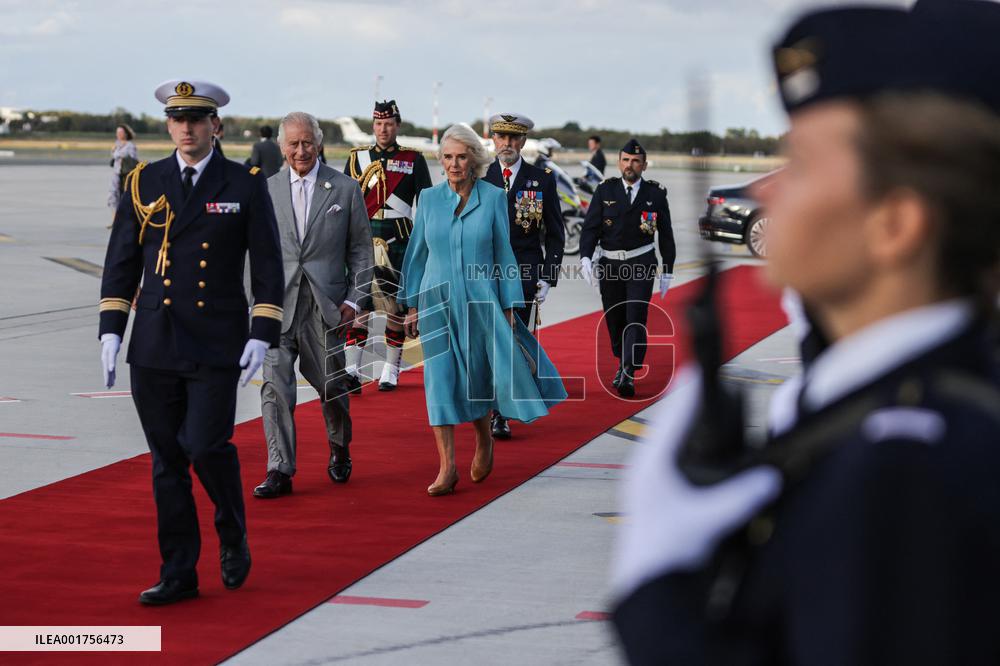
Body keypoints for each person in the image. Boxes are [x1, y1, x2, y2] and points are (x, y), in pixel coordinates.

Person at [611, 3, 1000, 664]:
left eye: (803, 164)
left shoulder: (903, 470)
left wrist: (656, 592)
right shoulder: (895, 407)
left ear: (895, 225)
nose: (771, 194)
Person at [98, 80, 285, 605]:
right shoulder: (144, 180)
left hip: (215, 341)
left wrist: (262, 332)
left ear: (215, 126)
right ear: (168, 125)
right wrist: (111, 328)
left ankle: (231, 528)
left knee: (205, 446)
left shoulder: (243, 183)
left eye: (197, 119)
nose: (186, 128)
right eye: (177, 119)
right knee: (167, 461)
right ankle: (179, 571)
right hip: (155, 342)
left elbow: (268, 268)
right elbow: (121, 260)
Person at [400, 124, 567, 496]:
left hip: (480, 302)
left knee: (476, 379)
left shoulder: (492, 198)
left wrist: (509, 305)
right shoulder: (428, 199)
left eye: (461, 157)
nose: (454, 164)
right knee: (439, 380)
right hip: (436, 302)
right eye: (448, 157)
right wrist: (410, 304)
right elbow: (417, 254)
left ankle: (483, 440)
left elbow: (504, 254)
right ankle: (447, 467)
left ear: (474, 160)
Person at [253, 112, 374, 498]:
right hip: (276, 306)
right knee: (275, 388)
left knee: (332, 385)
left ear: (319, 144)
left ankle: (339, 446)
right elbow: (252, 253)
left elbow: (361, 250)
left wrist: (355, 299)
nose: (301, 150)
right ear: (282, 147)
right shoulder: (266, 190)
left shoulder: (344, 189)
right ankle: (279, 468)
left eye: (308, 142)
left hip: (326, 307)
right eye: (293, 144)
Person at [483, 112, 565, 439]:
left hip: (524, 273)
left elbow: (555, 232)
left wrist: (548, 275)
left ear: (523, 141)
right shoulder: (480, 175)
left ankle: (501, 413)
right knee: (488, 343)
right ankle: (491, 407)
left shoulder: (541, 180)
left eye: (514, 137)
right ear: (493, 139)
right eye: (501, 137)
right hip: (484, 272)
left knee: (513, 342)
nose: (507, 143)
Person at [343, 100, 433, 393]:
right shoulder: (357, 158)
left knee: (394, 310)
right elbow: (345, 202)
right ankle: (352, 369)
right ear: (373, 125)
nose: (383, 129)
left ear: (397, 125)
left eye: (389, 124)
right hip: (363, 240)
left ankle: (390, 369)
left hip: (398, 240)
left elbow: (427, 205)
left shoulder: (413, 159)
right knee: (359, 307)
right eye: (379, 124)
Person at [579, 139, 676, 398]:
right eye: (625, 160)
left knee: (636, 316)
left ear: (644, 165)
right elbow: (590, 228)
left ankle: (628, 371)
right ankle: (622, 360)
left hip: (641, 262)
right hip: (610, 264)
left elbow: (666, 234)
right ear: (619, 162)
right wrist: (585, 257)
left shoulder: (655, 194)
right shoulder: (605, 190)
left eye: (635, 161)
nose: (630, 165)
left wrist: (668, 268)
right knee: (615, 318)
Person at [108, 124, 138, 211]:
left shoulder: (130, 146)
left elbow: (133, 160)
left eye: (121, 132)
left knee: (124, 194)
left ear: (126, 134)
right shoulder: (116, 144)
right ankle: (115, 216)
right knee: (113, 195)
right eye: (117, 132)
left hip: (126, 174)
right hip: (116, 173)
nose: (118, 134)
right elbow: (114, 157)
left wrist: (120, 156)